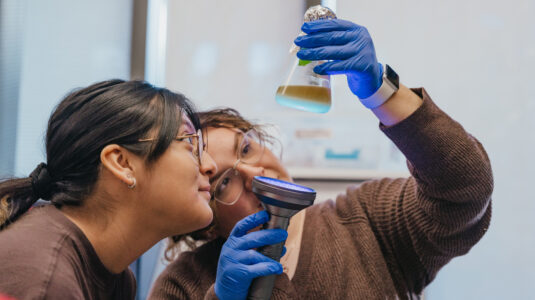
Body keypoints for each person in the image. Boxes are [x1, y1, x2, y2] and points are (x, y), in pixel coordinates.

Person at [148, 19, 494, 300]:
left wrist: (380, 90)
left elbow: (465, 187)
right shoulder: (183, 285)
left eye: (247, 149)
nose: (255, 173)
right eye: (224, 182)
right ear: (205, 216)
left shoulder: (367, 220)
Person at [0, 79, 227, 299]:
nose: (210, 166)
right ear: (122, 163)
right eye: (190, 144)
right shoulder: (44, 280)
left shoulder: (116, 277)